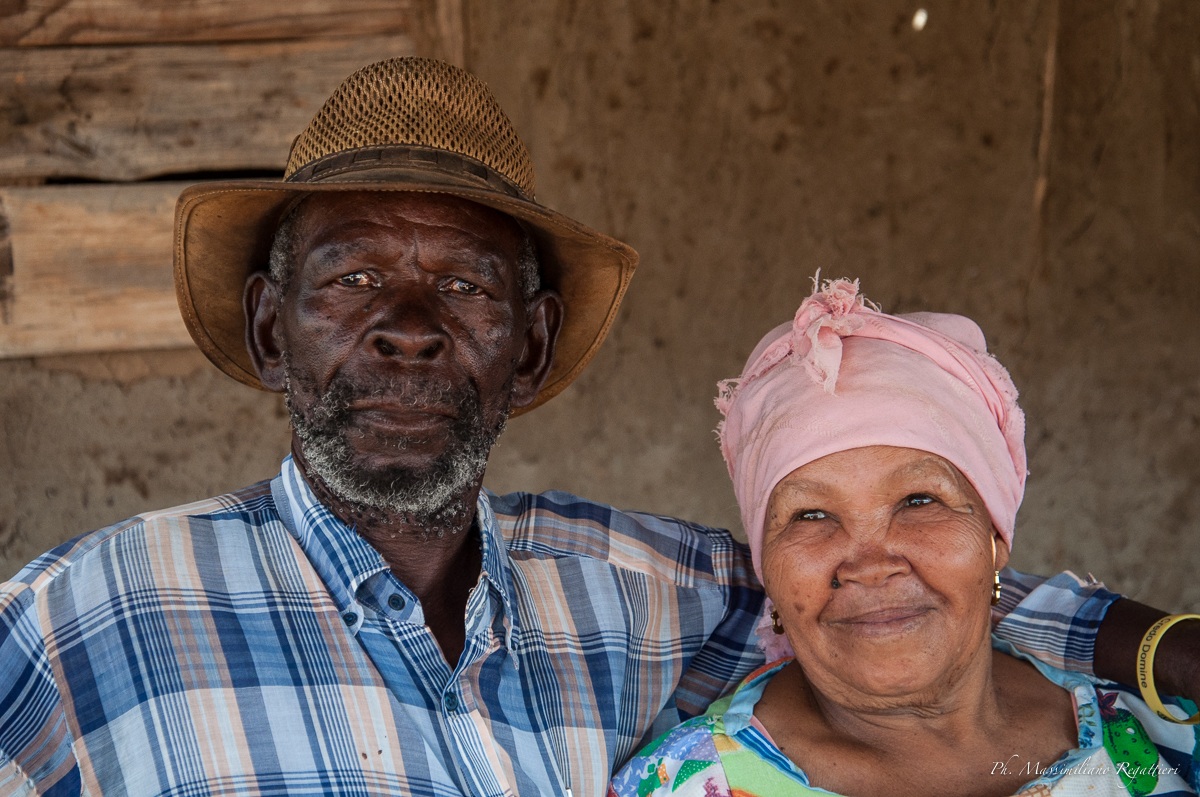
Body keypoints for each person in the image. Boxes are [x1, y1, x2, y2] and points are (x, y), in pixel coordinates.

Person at [0, 58, 1193, 797]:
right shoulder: (83, 621)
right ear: (271, 331)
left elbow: (881, 589)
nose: (408, 327)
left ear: (528, 344)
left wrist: (1161, 647)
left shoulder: (628, 591)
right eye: (352, 279)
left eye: (465, 286)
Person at [610, 278, 1200, 797]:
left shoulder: (1158, 732)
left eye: (919, 501)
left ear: (994, 538)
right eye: (811, 515)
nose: (870, 563)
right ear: (768, 567)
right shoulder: (685, 785)